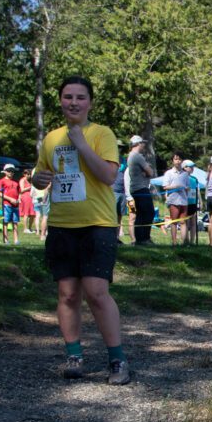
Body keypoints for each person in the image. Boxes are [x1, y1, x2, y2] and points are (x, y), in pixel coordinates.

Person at [32, 75, 131, 385]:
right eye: (68, 96)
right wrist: (38, 179)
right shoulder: (51, 139)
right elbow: (40, 173)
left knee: (97, 293)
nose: (73, 102)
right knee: (67, 293)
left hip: (98, 224)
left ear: (90, 102)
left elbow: (107, 175)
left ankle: (117, 360)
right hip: (62, 224)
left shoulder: (101, 134)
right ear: (60, 100)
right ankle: (74, 355)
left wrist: (81, 144)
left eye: (80, 97)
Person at [126, 135, 155, 245]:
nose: (144, 145)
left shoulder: (130, 156)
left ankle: (139, 239)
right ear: (138, 144)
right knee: (148, 213)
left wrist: (145, 172)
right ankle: (144, 238)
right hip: (141, 188)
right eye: (142, 143)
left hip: (135, 188)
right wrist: (146, 172)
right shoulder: (138, 156)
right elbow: (150, 172)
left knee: (140, 214)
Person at [161, 153, 189, 245]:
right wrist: (175, 186)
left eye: (179, 159)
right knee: (174, 221)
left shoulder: (185, 174)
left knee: (183, 221)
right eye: (176, 159)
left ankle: (184, 242)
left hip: (183, 200)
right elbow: (165, 187)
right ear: (172, 161)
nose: (178, 161)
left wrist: (185, 188)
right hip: (173, 200)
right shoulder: (169, 173)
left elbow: (188, 187)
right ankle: (174, 242)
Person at [0, 165, 21, 244]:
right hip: (7, 204)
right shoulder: (2, 181)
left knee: (15, 222)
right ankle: (6, 239)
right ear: (5, 171)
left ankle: (16, 240)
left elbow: (19, 192)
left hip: (16, 205)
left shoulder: (16, 182)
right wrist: (10, 199)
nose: (11, 172)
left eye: (12, 171)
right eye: (9, 170)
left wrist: (18, 199)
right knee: (6, 222)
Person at [183, 160, 200, 244]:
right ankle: (185, 240)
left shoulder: (194, 179)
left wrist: (200, 201)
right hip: (184, 203)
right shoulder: (182, 177)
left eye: (193, 167)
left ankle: (192, 241)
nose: (192, 168)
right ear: (185, 167)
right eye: (190, 167)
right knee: (185, 222)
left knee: (193, 222)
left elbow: (197, 191)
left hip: (193, 203)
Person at [32, 176, 49, 240]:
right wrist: (44, 199)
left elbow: (31, 194)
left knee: (39, 216)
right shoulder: (47, 183)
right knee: (45, 216)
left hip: (37, 200)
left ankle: (39, 231)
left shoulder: (35, 184)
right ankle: (44, 233)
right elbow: (47, 190)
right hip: (45, 199)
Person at [19, 168, 35, 234]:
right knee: (26, 213)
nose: (29, 175)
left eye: (30, 174)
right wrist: (30, 187)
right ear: (24, 174)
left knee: (33, 214)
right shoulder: (22, 180)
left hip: (32, 197)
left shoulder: (31, 180)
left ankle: (30, 228)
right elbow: (22, 190)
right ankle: (25, 228)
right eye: (27, 174)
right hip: (25, 197)